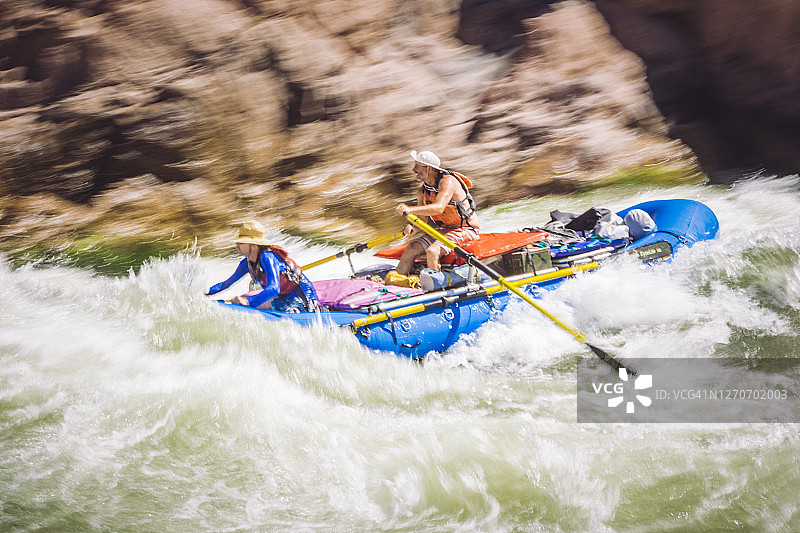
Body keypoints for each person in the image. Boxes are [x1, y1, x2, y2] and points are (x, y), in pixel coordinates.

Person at [394, 150, 480, 275]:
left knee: (432, 251)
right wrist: (413, 228)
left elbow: (438, 208)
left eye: (417, 166)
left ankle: (434, 282)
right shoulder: (422, 190)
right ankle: (396, 282)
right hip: (445, 230)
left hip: (467, 229)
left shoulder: (448, 181)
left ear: (429, 168)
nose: (413, 169)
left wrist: (409, 209)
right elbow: (422, 220)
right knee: (411, 248)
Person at [206, 220, 318, 312]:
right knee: (241, 301)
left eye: (241, 243)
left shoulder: (267, 257)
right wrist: (207, 291)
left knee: (286, 308)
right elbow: (226, 284)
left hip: (302, 296)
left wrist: (248, 302)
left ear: (254, 245)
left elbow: (274, 289)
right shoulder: (246, 264)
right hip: (283, 298)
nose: (237, 245)